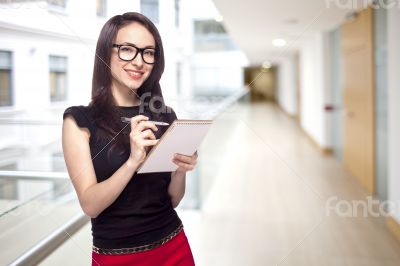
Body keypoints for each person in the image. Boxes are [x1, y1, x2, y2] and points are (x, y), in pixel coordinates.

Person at [62, 12, 197, 266]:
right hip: (117, 258)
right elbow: (90, 205)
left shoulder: (165, 116)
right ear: (106, 52)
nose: (139, 61)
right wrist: (133, 162)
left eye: (148, 52)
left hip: (174, 246)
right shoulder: (79, 120)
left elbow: (173, 200)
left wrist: (180, 171)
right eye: (127, 49)